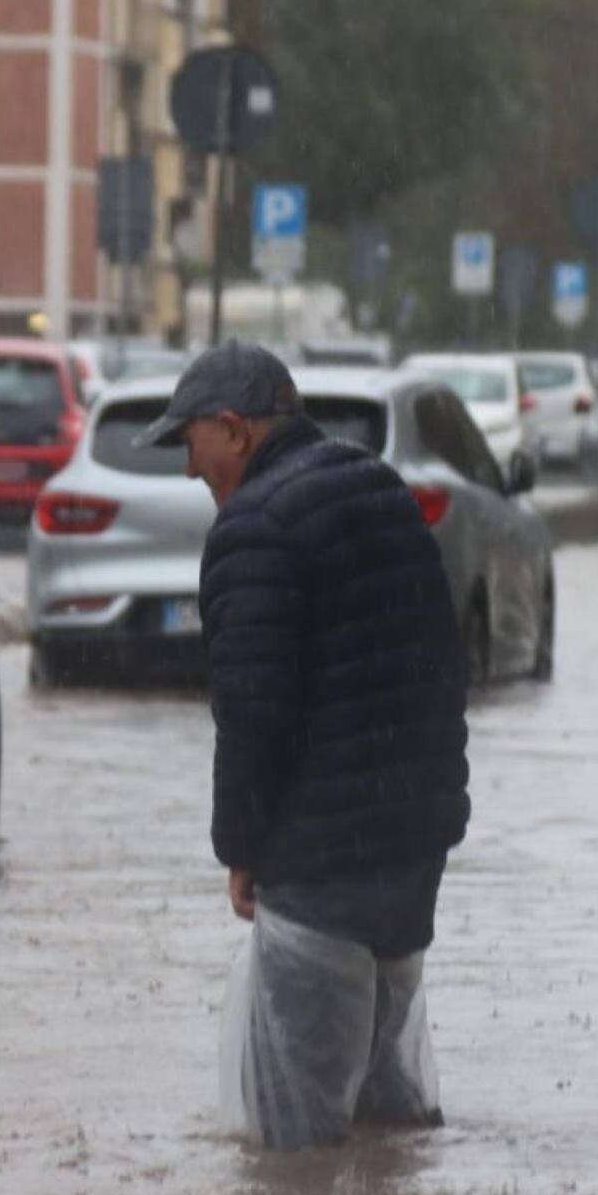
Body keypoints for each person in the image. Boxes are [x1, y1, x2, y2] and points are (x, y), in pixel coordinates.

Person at [137, 340, 471, 1150]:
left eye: (190, 443)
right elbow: (443, 658)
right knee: (389, 1106)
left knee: (293, 1140)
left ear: (236, 430)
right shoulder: (381, 487)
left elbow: (253, 712)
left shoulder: (254, 526)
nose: (188, 469)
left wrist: (240, 847)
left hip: (321, 850)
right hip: (411, 840)